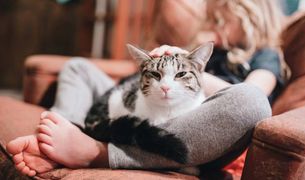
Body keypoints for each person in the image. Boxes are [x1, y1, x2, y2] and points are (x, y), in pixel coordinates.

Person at [6, 0, 284, 177]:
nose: (214, 27)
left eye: (221, 20)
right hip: (153, 101)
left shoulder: (264, 56)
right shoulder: (209, 46)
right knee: (78, 67)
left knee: (251, 100)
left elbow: (256, 92)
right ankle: (65, 132)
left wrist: (193, 68)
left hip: (199, 128)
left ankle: (98, 152)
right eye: (211, 20)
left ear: (252, 16)